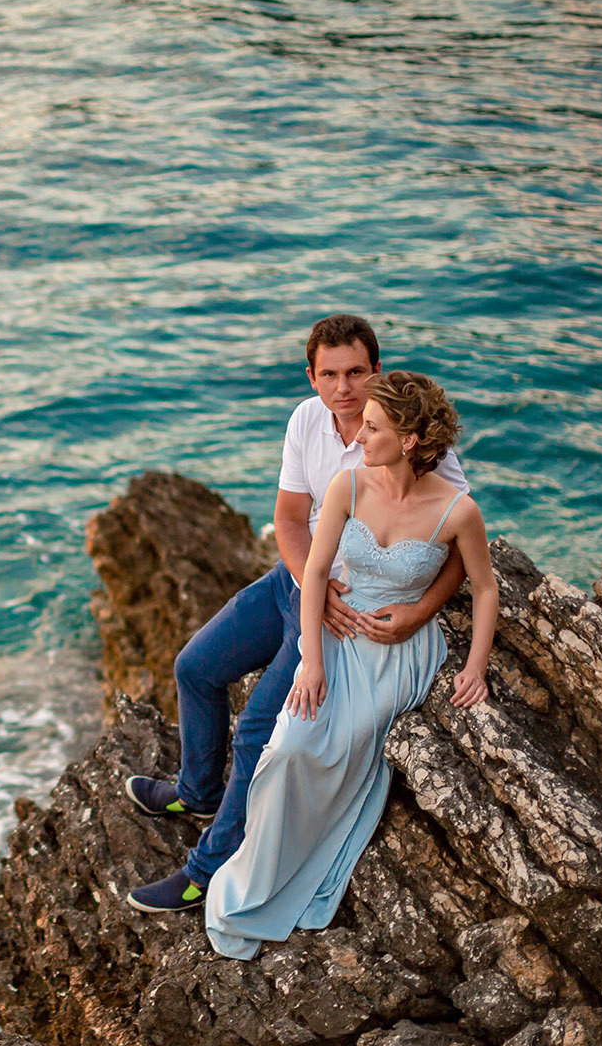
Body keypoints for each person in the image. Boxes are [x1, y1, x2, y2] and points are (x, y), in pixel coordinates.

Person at [124, 315, 469, 913]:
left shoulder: (406, 435)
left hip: (347, 614)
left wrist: (418, 611)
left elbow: (460, 542)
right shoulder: (305, 420)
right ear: (311, 376)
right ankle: (197, 790)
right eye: (330, 374)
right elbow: (288, 520)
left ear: (376, 372)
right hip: (297, 582)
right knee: (194, 667)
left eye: (356, 372)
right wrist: (313, 580)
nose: (344, 388)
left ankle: (206, 870)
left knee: (260, 727)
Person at [204, 371, 497, 957]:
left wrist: (476, 668)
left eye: (373, 426)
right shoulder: (347, 485)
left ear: (409, 439)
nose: (359, 434)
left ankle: (309, 869)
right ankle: (249, 881)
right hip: (335, 638)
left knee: (350, 742)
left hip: (399, 654)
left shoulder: (458, 510)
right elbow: (313, 572)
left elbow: (485, 589)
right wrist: (310, 661)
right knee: (288, 747)